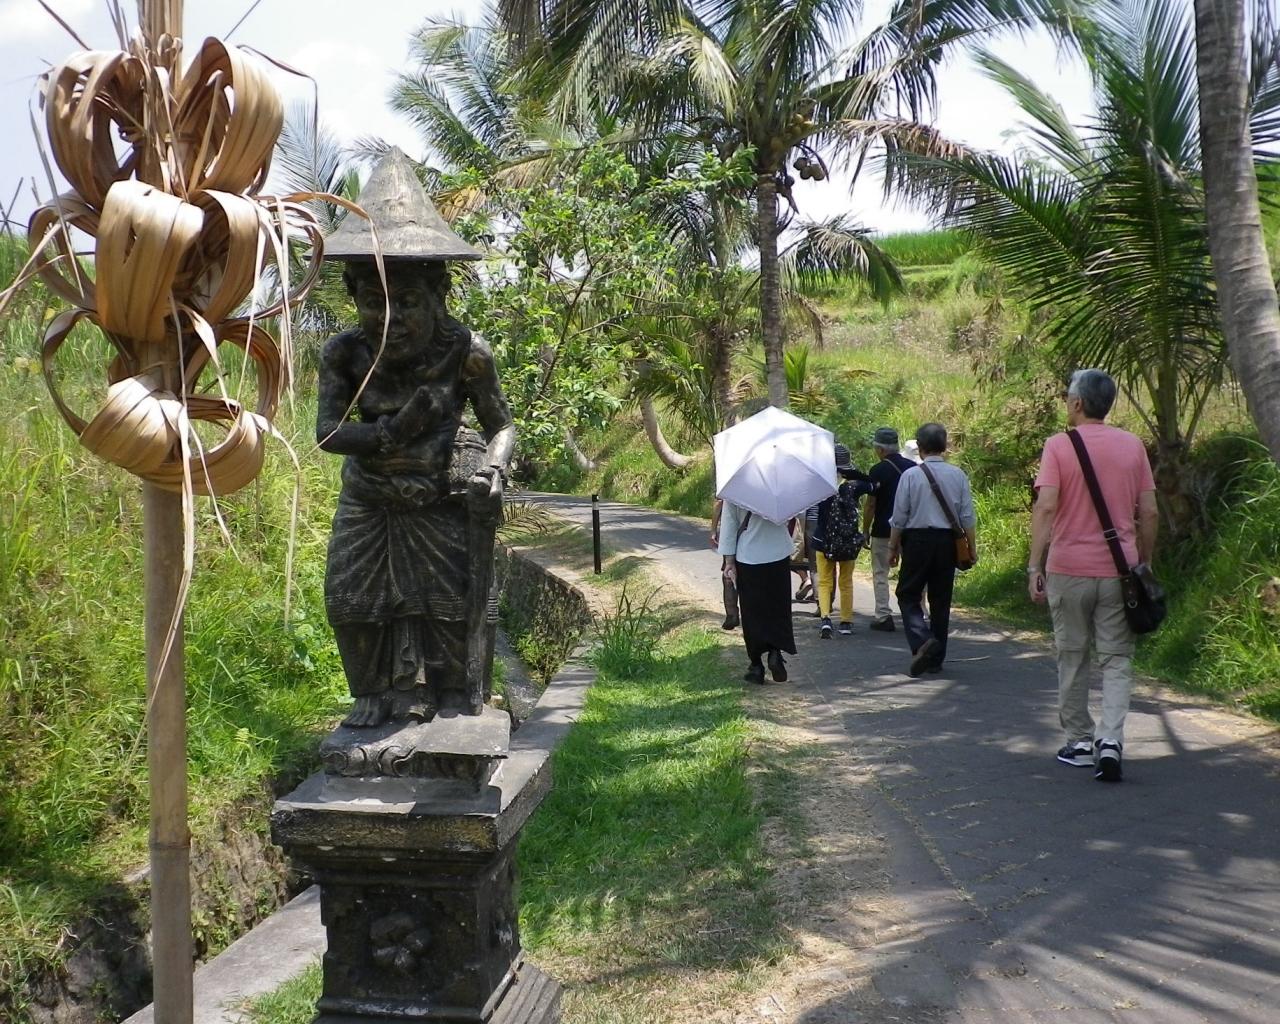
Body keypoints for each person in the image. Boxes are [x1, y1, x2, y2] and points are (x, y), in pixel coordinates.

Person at [317, 259, 514, 728]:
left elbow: (501, 426)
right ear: (355, 299)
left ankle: (450, 690)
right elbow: (329, 432)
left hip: (438, 491)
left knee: (449, 599)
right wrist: (390, 432)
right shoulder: (344, 353)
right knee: (350, 594)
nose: (391, 320)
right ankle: (372, 691)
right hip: (368, 492)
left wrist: (494, 470)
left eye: (407, 303)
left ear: (438, 296)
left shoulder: (466, 351)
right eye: (374, 304)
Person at [1028, 368, 1158, 783]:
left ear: (1078, 403)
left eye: (1069, 396)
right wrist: (1144, 561)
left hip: (1068, 569)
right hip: (1120, 572)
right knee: (1117, 658)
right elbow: (1149, 512)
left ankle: (1080, 742)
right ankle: (1112, 741)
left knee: (1072, 654)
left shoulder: (1058, 445)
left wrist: (1034, 565)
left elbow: (1046, 506)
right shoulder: (1133, 446)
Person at [888, 423, 977, 677]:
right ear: (944, 446)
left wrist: (893, 547)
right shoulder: (958, 475)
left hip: (917, 541)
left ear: (920, 447)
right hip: (947, 542)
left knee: (907, 593)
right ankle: (936, 660)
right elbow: (967, 516)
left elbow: (899, 517)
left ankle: (923, 640)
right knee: (941, 599)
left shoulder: (910, 476)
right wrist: (972, 547)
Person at [718, 500, 797, 684]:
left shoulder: (734, 489)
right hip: (778, 552)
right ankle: (775, 652)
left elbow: (729, 524)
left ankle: (756, 665)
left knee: (752, 612)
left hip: (749, 555)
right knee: (778, 607)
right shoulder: (779, 486)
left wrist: (729, 561)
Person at [810, 443, 870, 638]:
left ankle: (826, 619)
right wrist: (853, 473)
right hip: (847, 540)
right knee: (846, 581)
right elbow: (873, 484)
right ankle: (845, 622)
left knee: (825, 581)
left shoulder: (820, 484)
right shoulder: (854, 486)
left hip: (822, 539)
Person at [861, 427, 917, 631]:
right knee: (912, 572)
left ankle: (883, 615)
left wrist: (865, 529)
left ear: (880, 449)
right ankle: (916, 613)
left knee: (880, 573)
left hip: (883, 530)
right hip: (910, 530)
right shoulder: (913, 468)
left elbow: (871, 504)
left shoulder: (877, 471)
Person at [709, 498, 740, 630]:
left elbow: (719, 503)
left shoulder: (729, 485)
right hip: (755, 533)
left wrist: (713, 530)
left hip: (732, 530)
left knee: (729, 573)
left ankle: (732, 614)